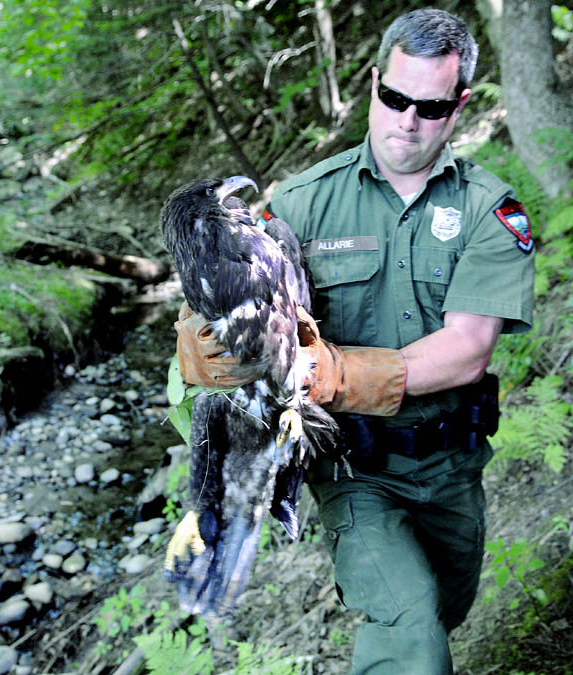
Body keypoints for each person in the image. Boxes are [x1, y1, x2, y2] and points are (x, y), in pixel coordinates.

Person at [174, 8, 535, 674]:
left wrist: (332, 372)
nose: (407, 119)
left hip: (453, 468)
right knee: (408, 628)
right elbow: (228, 296)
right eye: (395, 97)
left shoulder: (490, 210)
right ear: (373, 83)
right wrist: (202, 350)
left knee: (442, 613)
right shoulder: (304, 204)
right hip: (353, 467)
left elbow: (469, 347)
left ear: (458, 107)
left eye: (429, 107)